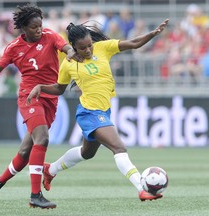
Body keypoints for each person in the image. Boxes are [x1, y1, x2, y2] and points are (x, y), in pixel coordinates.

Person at [27, 19, 169, 202]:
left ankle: (50, 169)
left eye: (89, 46)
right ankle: (142, 188)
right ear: (74, 47)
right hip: (89, 113)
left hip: (104, 111)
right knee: (119, 147)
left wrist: (153, 33)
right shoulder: (68, 64)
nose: (88, 50)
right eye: (82, 48)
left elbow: (133, 43)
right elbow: (59, 89)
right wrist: (41, 87)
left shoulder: (103, 47)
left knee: (87, 153)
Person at [0, 3, 80, 209]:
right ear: (23, 27)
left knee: (25, 151)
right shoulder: (14, 48)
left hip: (50, 96)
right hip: (28, 96)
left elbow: (66, 47)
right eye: (34, 27)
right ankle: (35, 195)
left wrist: (69, 52)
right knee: (42, 138)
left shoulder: (50, 36)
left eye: (40, 25)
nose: (39, 29)